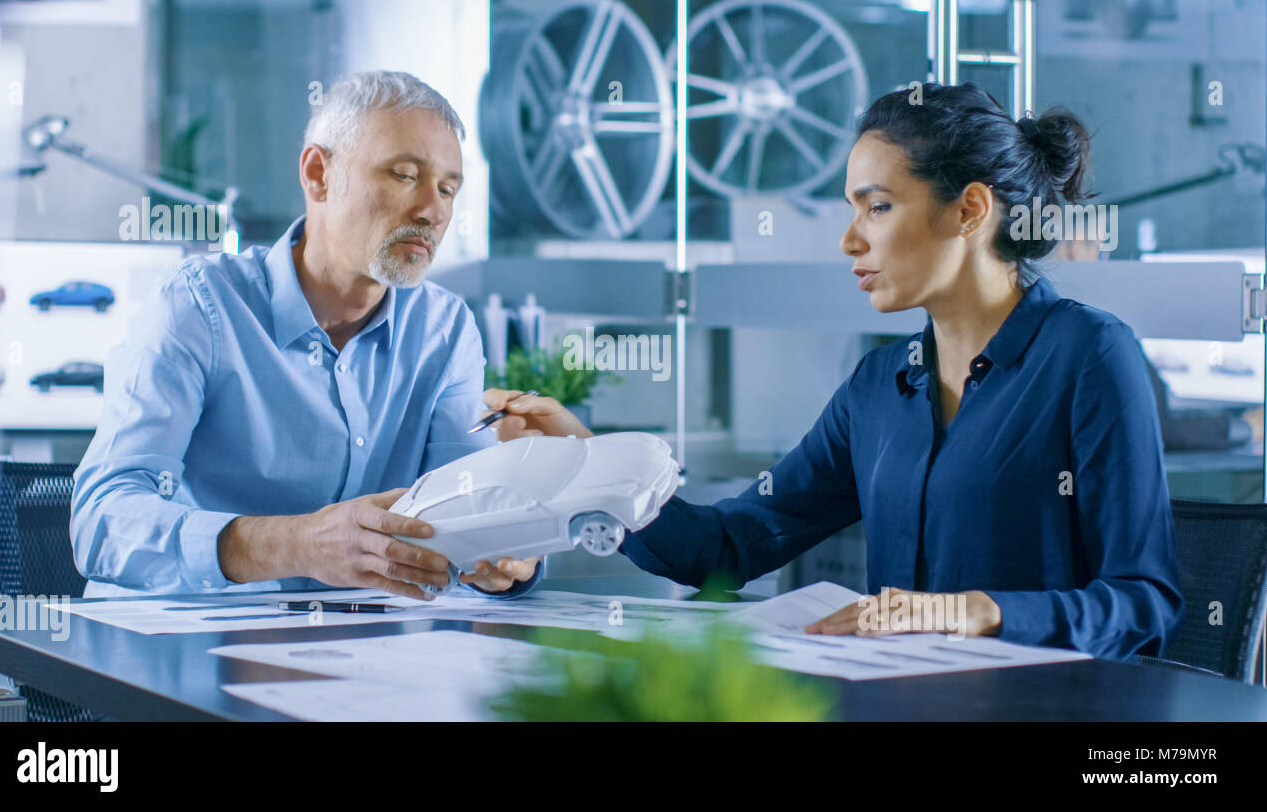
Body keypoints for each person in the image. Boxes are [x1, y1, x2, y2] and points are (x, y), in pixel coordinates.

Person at [483, 82, 1183, 660]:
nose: (850, 238)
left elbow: (1142, 602)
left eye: (877, 206)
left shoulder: (1089, 356)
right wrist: (590, 462)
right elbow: (728, 546)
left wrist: (971, 612)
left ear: (969, 209)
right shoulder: (881, 386)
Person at [71, 70, 541, 600]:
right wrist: (297, 544)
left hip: (351, 659)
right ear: (319, 174)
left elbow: (461, 513)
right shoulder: (198, 304)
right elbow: (102, 523)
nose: (433, 211)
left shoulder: (445, 329)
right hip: (171, 651)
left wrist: (504, 552)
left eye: (448, 189)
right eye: (405, 175)